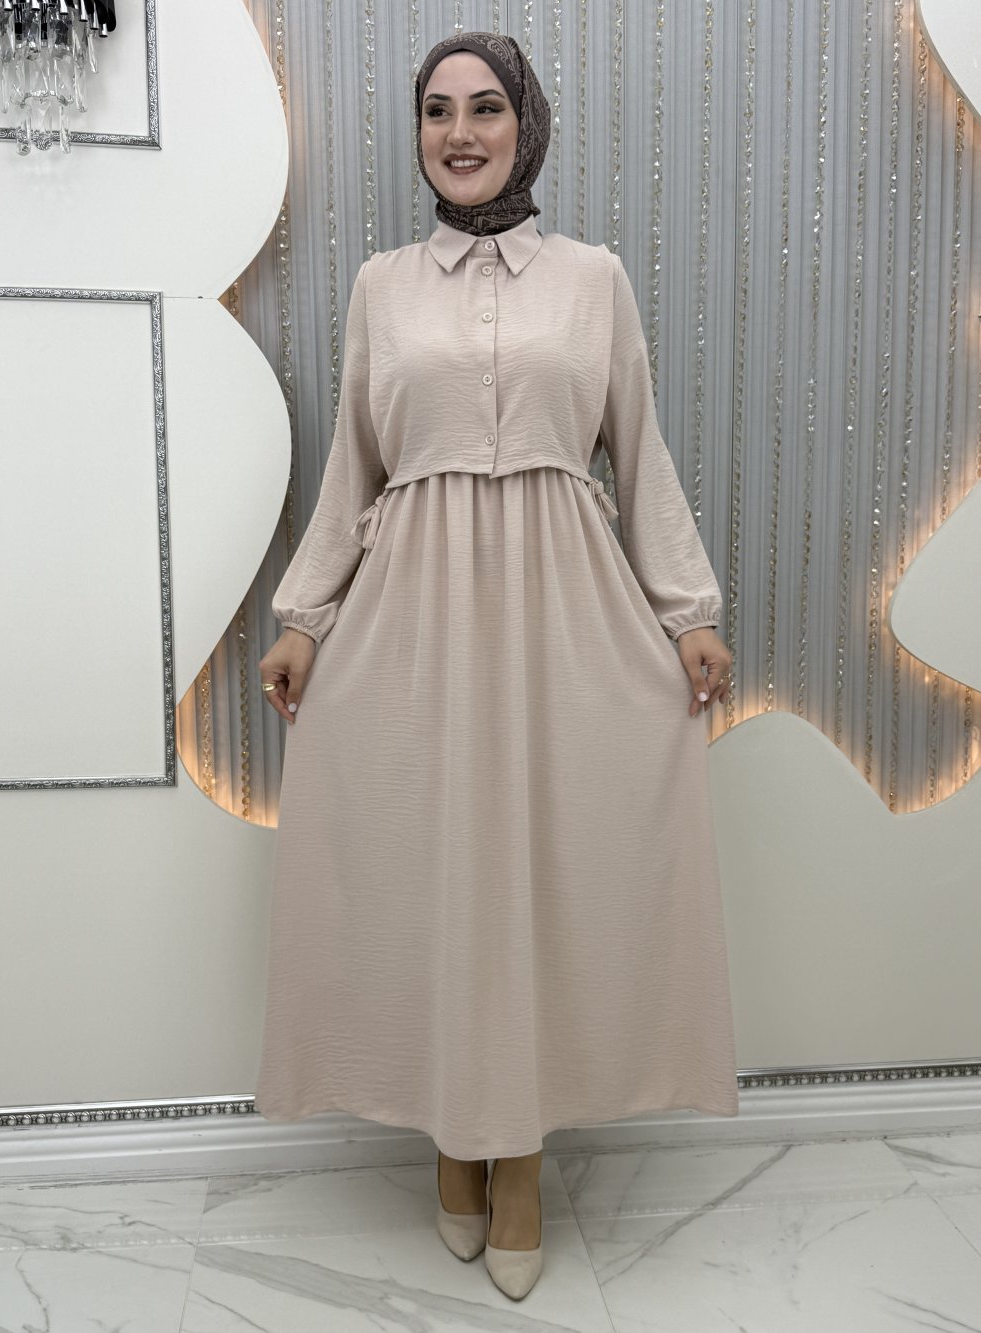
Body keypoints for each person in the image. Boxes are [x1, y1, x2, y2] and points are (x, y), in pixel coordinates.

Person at [253, 31, 739, 1302]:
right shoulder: (380, 288)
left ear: (526, 124)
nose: (459, 133)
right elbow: (353, 467)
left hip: (562, 612)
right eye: (436, 111)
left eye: (483, 108)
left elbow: (638, 446)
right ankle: (452, 1136)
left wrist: (686, 608)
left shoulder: (593, 279)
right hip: (411, 615)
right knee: (427, 872)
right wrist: (304, 616)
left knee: (546, 870)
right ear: (418, 132)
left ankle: (514, 1153)